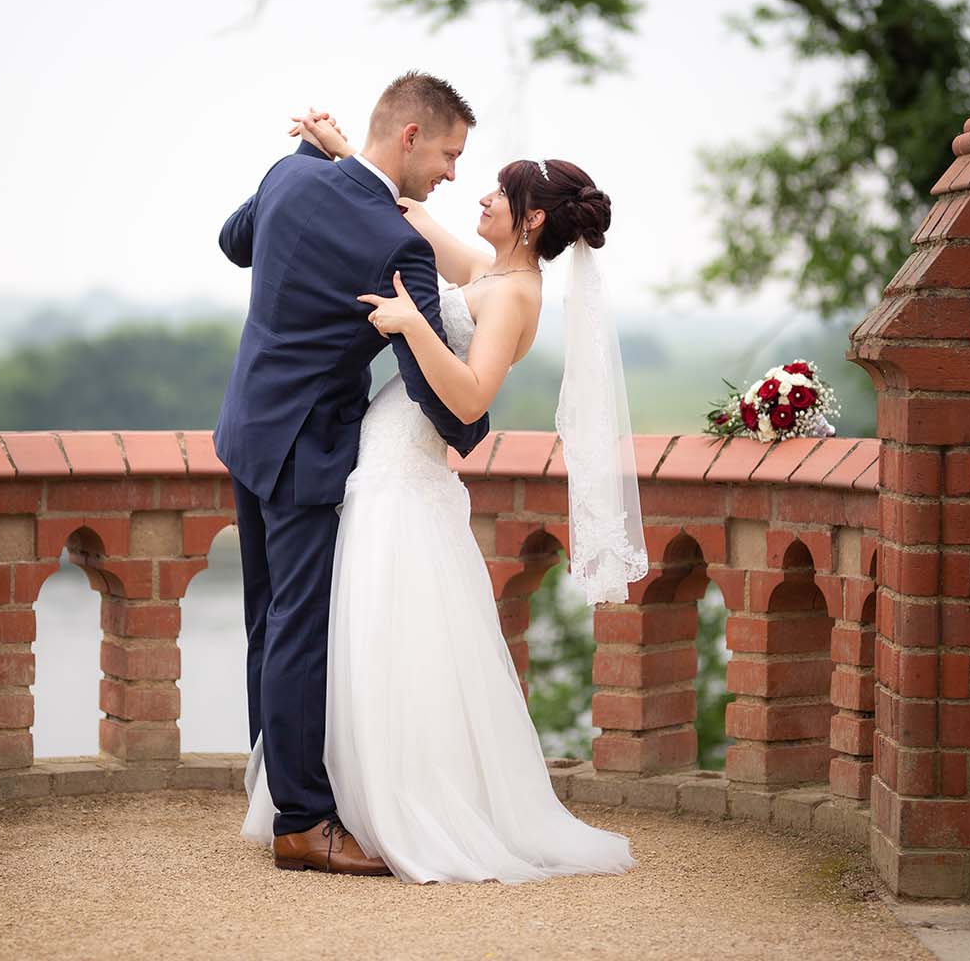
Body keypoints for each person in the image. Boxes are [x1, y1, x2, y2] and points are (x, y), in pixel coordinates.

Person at [238, 107, 648, 883]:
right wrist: (342, 152)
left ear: (529, 221)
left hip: (408, 474)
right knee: (357, 634)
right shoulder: (489, 272)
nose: (480, 194)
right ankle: (349, 797)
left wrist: (407, 327)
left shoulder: (518, 295)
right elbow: (408, 214)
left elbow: (467, 401)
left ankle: (405, 805)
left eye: (498, 191)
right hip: (380, 459)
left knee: (391, 636)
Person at [215, 71, 491, 876]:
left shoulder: (292, 172)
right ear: (409, 137)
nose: (451, 173)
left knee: (267, 624)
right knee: (298, 631)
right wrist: (468, 427)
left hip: (249, 425)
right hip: (307, 447)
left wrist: (306, 150)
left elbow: (236, 243)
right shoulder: (394, 242)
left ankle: (272, 790)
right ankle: (302, 822)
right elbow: (424, 375)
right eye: (448, 154)